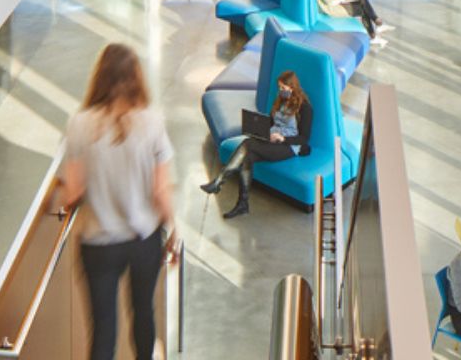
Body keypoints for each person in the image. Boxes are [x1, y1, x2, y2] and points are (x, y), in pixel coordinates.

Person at [57, 44, 177, 360]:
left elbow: (72, 193)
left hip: (98, 242)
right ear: (137, 77)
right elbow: (160, 191)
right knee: (143, 316)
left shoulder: (79, 124)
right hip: (143, 240)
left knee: (103, 330)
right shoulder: (152, 122)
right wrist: (173, 231)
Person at [199, 71, 317, 219]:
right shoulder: (280, 100)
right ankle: (242, 204)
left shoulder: (305, 107)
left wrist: (283, 138)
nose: (281, 91)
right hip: (272, 139)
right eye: (279, 88)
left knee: (248, 145)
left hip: (289, 146)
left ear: (293, 87)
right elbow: (273, 122)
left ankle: (219, 181)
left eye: (283, 88)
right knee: (248, 156)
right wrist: (260, 129)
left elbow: (304, 138)